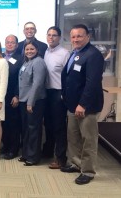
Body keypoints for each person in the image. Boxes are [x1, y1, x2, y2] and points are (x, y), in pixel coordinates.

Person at [61, 24, 104, 185]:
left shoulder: (93, 55)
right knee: (73, 137)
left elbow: (92, 83)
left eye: (79, 36)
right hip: (72, 105)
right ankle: (75, 163)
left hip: (86, 107)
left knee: (88, 139)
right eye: (73, 36)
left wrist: (83, 104)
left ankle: (88, 171)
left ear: (88, 37)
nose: (76, 39)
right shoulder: (76, 53)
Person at [43, 26, 70, 168]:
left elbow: (68, 76)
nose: (51, 37)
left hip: (58, 93)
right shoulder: (46, 51)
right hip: (46, 92)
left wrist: (64, 95)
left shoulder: (64, 53)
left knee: (59, 126)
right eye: (49, 35)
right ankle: (48, 151)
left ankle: (61, 158)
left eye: (54, 35)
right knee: (48, 124)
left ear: (59, 37)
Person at [18, 41, 47, 166]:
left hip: (34, 101)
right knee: (26, 129)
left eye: (32, 49)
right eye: (27, 49)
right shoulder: (27, 62)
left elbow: (37, 84)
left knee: (34, 129)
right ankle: (26, 154)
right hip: (24, 100)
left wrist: (30, 102)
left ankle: (33, 157)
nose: (29, 51)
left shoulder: (38, 62)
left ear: (37, 49)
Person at [1, 34, 23, 160]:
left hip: (12, 95)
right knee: (3, 122)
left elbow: (21, 79)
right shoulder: (1, 57)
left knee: (13, 123)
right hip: (1, 95)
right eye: (7, 42)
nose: (9, 44)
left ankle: (13, 149)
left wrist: (17, 95)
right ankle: (5, 145)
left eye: (12, 42)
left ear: (16, 45)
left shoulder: (20, 58)